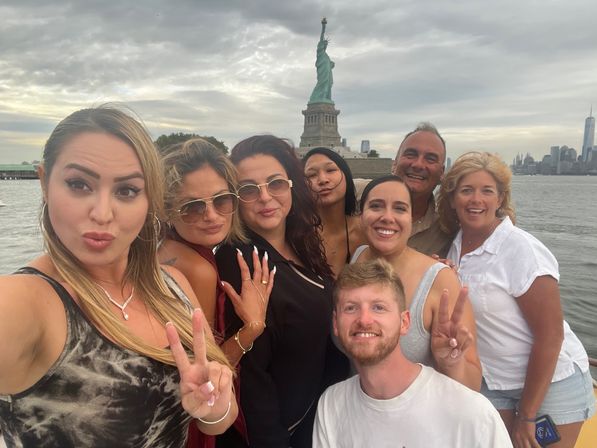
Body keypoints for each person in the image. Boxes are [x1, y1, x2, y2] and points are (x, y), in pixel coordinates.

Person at [0, 106, 237, 447]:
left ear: (149, 200)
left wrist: (211, 403)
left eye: (126, 191)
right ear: (44, 182)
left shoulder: (173, 286)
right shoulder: (28, 302)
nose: (102, 213)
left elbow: (218, 421)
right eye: (78, 184)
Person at [437, 151, 595, 448]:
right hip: (495, 381)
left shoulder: (521, 250)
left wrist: (528, 415)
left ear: (500, 199)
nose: (476, 199)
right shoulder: (455, 247)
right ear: (452, 198)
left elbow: (550, 336)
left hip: (551, 386)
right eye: (466, 190)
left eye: (487, 191)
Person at [216, 135, 349, 447]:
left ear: (291, 185)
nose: (264, 197)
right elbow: (249, 378)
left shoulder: (301, 244)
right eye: (249, 189)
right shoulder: (239, 262)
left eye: (275, 183)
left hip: (317, 418)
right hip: (279, 433)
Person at [313, 259, 512, 447]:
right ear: (335, 324)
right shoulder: (332, 405)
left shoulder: (473, 414)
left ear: (405, 322)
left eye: (378, 307)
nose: (364, 319)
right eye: (351, 308)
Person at [158, 138, 275, 447]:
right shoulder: (198, 269)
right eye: (192, 208)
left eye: (222, 201)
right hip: (195, 419)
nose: (211, 215)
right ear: (168, 211)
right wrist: (251, 329)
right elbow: (210, 370)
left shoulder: (166, 251)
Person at [351, 175, 481, 390]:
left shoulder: (440, 280)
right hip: (358, 410)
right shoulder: (358, 257)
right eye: (376, 206)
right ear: (361, 215)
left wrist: (451, 362)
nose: (387, 217)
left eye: (400, 209)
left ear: (411, 219)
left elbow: (473, 383)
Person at [391, 122, 455, 257]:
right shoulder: (356, 196)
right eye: (410, 154)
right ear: (394, 163)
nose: (418, 164)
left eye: (430, 159)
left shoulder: (448, 228)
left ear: (441, 173)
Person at [303, 147, 365, 278]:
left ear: (346, 175)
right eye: (311, 175)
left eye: (330, 170)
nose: (323, 180)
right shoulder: (295, 235)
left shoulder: (367, 231)